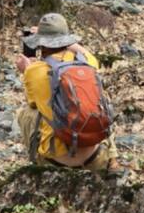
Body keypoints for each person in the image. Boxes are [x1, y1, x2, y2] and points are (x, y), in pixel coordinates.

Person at [14, 12, 120, 174]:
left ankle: (37, 163)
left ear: (42, 43)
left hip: (58, 161)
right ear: (67, 39)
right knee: (98, 102)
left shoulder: (34, 72)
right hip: (95, 156)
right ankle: (112, 158)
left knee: (27, 113)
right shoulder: (88, 63)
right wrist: (60, 38)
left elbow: (33, 103)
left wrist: (26, 70)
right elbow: (85, 53)